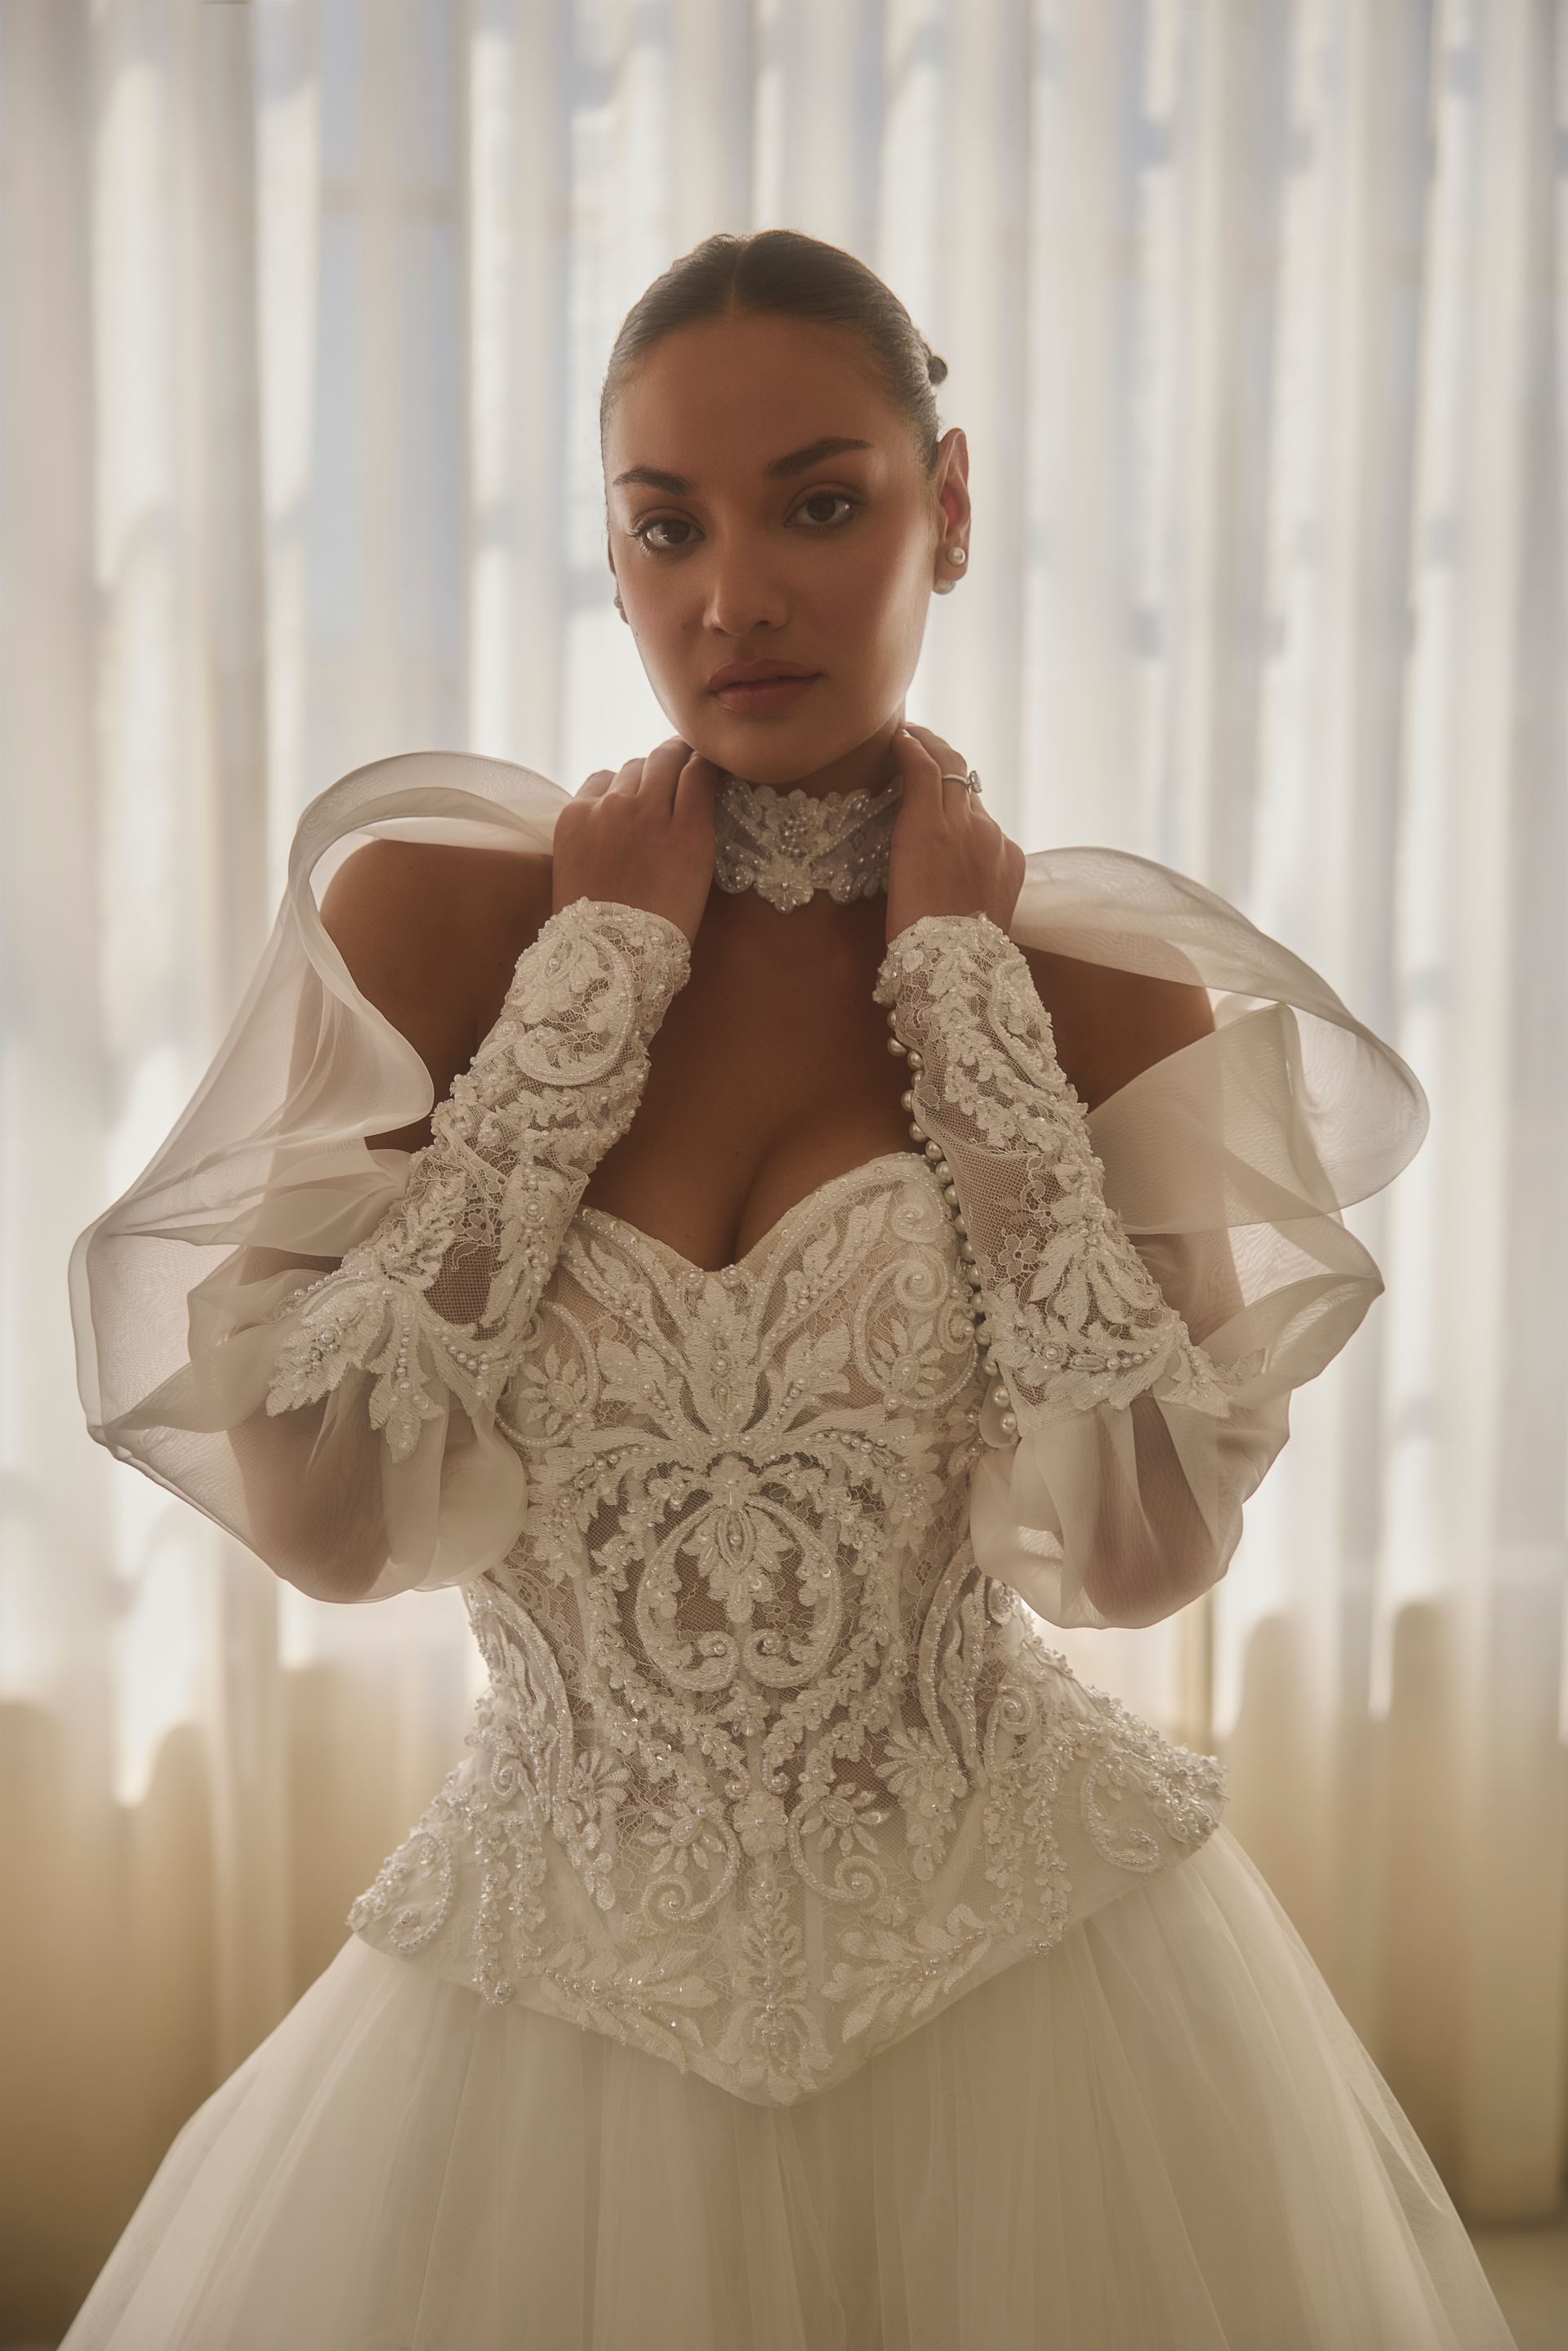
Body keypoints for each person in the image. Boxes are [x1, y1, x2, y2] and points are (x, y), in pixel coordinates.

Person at [62, 229, 1517, 2349]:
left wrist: (967, 1001)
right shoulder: (443, 917)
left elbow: (1137, 1549)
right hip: (545, 2006)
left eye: (816, 505)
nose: (729, 597)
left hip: (1031, 1994)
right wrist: (596, 988)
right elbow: (319, 1506)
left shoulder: (1097, 986)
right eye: (666, 528)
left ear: (949, 502)